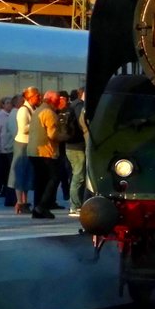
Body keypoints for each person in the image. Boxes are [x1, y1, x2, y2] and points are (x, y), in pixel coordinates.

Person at [27, 89, 61, 219]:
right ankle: (43, 206)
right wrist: (66, 136)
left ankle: (37, 208)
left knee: (40, 181)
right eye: (57, 99)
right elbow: (53, 134)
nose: (58, 102)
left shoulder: (38, 110)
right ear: (51, 100)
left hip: (33, 151)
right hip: (45, 152)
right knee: (53, 178)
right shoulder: (49, 112)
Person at [9, 87, 40, 214]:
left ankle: (25, 201)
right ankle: (19, 201)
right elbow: (23, 128)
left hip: (30, 143)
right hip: (22, 143)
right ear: (30, 97)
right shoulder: (23, 110)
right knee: (20, 173)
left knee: (27, 174)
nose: (39, 98)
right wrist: (36, 124)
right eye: (37, 96)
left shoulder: (33, 108)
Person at [63, 88, 88, 217]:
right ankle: (75, 206)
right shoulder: (79, 106)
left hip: (72, 146)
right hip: (76, 146)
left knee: (78, 175)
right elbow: (83, 125)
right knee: (78, 176)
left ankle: (76, 204)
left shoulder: (74, 105)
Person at [0, 96, 15, 199]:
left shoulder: (13, 115)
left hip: (10, 148)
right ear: (3, 105)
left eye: (10, 103)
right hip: (1, 149)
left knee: (8, 171)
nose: (9, 105)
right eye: (7, 103)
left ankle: (5, 190)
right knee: (0, 171)